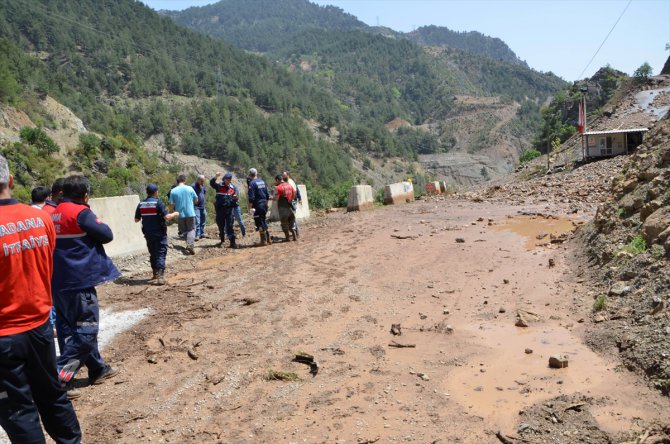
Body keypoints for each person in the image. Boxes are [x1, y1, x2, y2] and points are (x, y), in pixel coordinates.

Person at [0, 154, 83, 443]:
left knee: (17, 409)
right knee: (52, 394)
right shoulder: (39, 218)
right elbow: (45, 265)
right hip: (40, 326)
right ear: (10, 181)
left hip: (3, 336)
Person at [51, 175, 120, 394]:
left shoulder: (50, 214)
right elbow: (107, 235)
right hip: (79, 281)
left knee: (68, 329)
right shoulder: (81, 212)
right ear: (85, 194)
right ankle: (59, 377)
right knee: (86, 331)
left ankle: (97, 369)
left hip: (57, 283)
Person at [134, 184, 179, 285]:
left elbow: (136, 219)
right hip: (159, 233)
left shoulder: (141, 204)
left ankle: (155, 274)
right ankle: (160, 276)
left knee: (153, 253)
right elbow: (167, 217)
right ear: (156, 192)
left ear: (147, 192)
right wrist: (175, 214)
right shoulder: (158, 203)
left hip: (148, 234)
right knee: (160, 253)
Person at [168, 174, 198, 255]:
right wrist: (192, 204)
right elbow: (196, 199)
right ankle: (190, 245)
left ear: (177, 181)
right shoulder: (190, 188)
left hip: (179, 214)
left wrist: (171, 213)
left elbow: (171, 204)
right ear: (185, 181)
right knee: (191, 229)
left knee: (184, 231)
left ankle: (188, 243)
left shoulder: (173, 191)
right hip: (190, 212)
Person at [210, 172, 239, 248]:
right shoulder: (219, 186)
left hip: (229, 210)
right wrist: (216, 176)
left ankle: (232, 242)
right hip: (220, 210)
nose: (227, 181)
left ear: (230, 180)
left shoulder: (233, 188)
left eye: (229, 179)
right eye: (226, 179)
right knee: (220, 225)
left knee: (229, 225)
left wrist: (235, 197)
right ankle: (222, 240)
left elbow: (236, 197)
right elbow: (212, 183)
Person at [247, 168, 271, 245]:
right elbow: (267, 195)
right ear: (256, 174)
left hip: (257, 206)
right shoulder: (262, 182)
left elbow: (251, 198)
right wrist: (266, 203)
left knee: (259, 222)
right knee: (263, 221)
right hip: (264, 204)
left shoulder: (252, 184)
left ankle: (263, 241)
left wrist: (250, 208)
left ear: (249, 174)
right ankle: (268, 239)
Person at [273, 174, 297, 241]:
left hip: (283, 208)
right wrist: (291, 199)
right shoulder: (289, 185)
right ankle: (294, 236)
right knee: (291, 224)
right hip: (290, 207)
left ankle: (287, 238)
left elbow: (277, 198)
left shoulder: (279, 187)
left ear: (278, 180)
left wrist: (271, 199)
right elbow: (294, 192)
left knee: (284, 224)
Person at [282, 170, 302, 238]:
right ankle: (295, 232)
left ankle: (296, 232)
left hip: (292, 201)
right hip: (291, 201)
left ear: (288, 175)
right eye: (283, 176)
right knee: (291, 217)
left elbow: (295, 191)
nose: (283, 177)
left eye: (284, 175)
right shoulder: (287, 182)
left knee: (292, 217)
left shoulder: (290, 182)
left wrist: (291, 200)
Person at [191, 175, 207, 240]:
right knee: (197, 221)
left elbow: (204, 192)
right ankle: (197, 235)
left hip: (202, 205)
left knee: (203, 220)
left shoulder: (202, 185)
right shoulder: (193, 186)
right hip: (196, 206)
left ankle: (202, 233)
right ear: (198, 180)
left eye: (203, 181)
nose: (203, 182)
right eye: (202, 181)